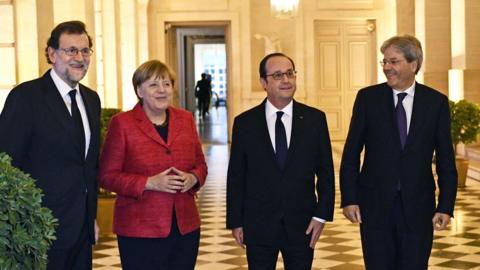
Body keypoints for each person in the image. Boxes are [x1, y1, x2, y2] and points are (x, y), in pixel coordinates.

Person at [340, 35, 457, 269]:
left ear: (413, 64)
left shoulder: (436, 103)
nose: (387, 68)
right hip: (374, 206)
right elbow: (351, 153)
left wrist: (445, 205)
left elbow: (445, 159)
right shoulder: (367, 98)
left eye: (393, 61)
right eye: (384, 62)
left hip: (418, 208)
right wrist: (350, 199)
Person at [0, 21, 101, 269]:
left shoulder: (91, 99)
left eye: (85, 50)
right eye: (71, 50)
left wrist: (92, 217)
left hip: (81, 230)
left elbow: (87, 166)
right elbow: (7, 164)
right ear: (52, 53)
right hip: (40, 232)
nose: (80, 58)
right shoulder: (25, 97)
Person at [226, 52, 335, 270]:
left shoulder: (314, 119)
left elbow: (326, 172)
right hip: (258, 223)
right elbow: (236, 176)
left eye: (290, 73)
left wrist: (321, 215)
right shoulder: (245, 123)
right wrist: (236, 221)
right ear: (263, 82)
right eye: (277, 75)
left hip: (302, 223)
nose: (286, 80)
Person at [98, 59, 207, 270]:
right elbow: (107, 176)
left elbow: (201, 164)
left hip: (185, 227)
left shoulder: (186, 119)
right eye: (153, 85)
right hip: (140, 229)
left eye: (167, 84)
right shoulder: (122, 123)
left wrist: (193, 178)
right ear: (139, 90)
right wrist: (149, 182)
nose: (162, 90)